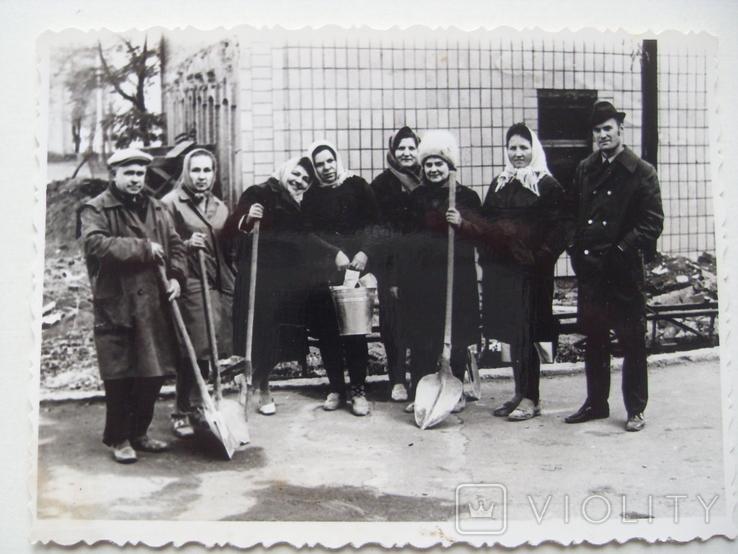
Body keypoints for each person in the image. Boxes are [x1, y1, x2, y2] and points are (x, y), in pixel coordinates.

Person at [77, 148, 187, 464]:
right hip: (118, 303)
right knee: (120, 374)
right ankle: (119, 438)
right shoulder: (96, 208)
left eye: (140, 173)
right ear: (115, 174)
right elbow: (94, 244)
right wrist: (143, 248)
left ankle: (139, 432)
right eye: (129, 173)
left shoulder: (156, 208)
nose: (136, 179)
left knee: (152, 374)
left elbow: (176, 246)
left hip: (153, 304)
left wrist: (177, 276)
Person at [565, 101, 664, 432]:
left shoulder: (641, 171)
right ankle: (596, 403)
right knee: (594, 339)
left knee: (632, 339)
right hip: (592, 270)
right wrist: (575, 248)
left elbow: (652, 223)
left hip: (623, 272)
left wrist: (622, 249)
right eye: (597, 130)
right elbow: (572, 213)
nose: (602, 135)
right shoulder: (585, 168)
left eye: (608, 128)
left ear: (621, 130)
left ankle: (635, 408)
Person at [478, 123, 570, 421]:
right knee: (513, 333)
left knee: (528, 332)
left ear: (534, 149)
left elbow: (560, 229)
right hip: (504, 273)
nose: (518, 154)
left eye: (523, 147)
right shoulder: (500, 183)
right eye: (512, 148)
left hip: (532, 273)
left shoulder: (547, 185)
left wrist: (538, 257)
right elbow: (486, 224)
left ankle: (532, 397)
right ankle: (519, 392)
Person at [224, 156, 325, 415]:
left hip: (287, 281)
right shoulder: (258, 192)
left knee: (282, 338)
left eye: (306, 180)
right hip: (259, 277)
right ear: (286, 170)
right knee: (261, 336)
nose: (300, 181)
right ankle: (262, 388)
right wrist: (248, 218)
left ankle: (254, 382)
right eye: (297, 174)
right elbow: (231, 227)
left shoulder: (300, 206)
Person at [399, 130, 482, 414]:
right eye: (429, 164)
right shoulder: (416, 198)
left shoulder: (466, 197)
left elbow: (481, 235)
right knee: (422, 336)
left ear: (450, 166)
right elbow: (406, 239)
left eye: (440, 164)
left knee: (456, 334)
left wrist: (462, 223)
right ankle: (419, 391)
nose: (434, 169)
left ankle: (453, 388)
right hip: (423, 278)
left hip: (455, 278)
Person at [302, 140, 381, 416]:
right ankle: (336, 387)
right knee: (328, 333)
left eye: (330, 161)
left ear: (338, 160)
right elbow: (307, 234)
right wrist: (333, 253)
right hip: (325, 272)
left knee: (354, 331)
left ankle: (358, 390)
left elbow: (375, 224)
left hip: (355, 272)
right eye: (320, 164)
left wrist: (364, 253)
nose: (326, 168)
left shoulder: (358, 186)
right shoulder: (311, 197)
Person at [161, 148, 235, 437]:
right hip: (190, 280)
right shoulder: (171, 203)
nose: (201, 176)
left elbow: (227, 244)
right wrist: (186, 243)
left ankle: (201, 405)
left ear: (213, 174)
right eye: (196, 170)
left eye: (207, 171)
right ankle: (183, 409)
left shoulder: (220, 206)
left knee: (212, 347)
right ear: (186, 172)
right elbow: (160, 241)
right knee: (196, 347)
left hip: (217, 282)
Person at [370, 126, 422, 403]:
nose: (406, 153)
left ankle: (420, 377)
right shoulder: (381, 185)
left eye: (411, 148)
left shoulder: (427, 180)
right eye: (400, 148)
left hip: (422, 265)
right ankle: (397, 378)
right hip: (391, 265)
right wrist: (389, 275)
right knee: (393, 322)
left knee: (420, 321)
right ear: (392, 152)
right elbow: (377, 230)